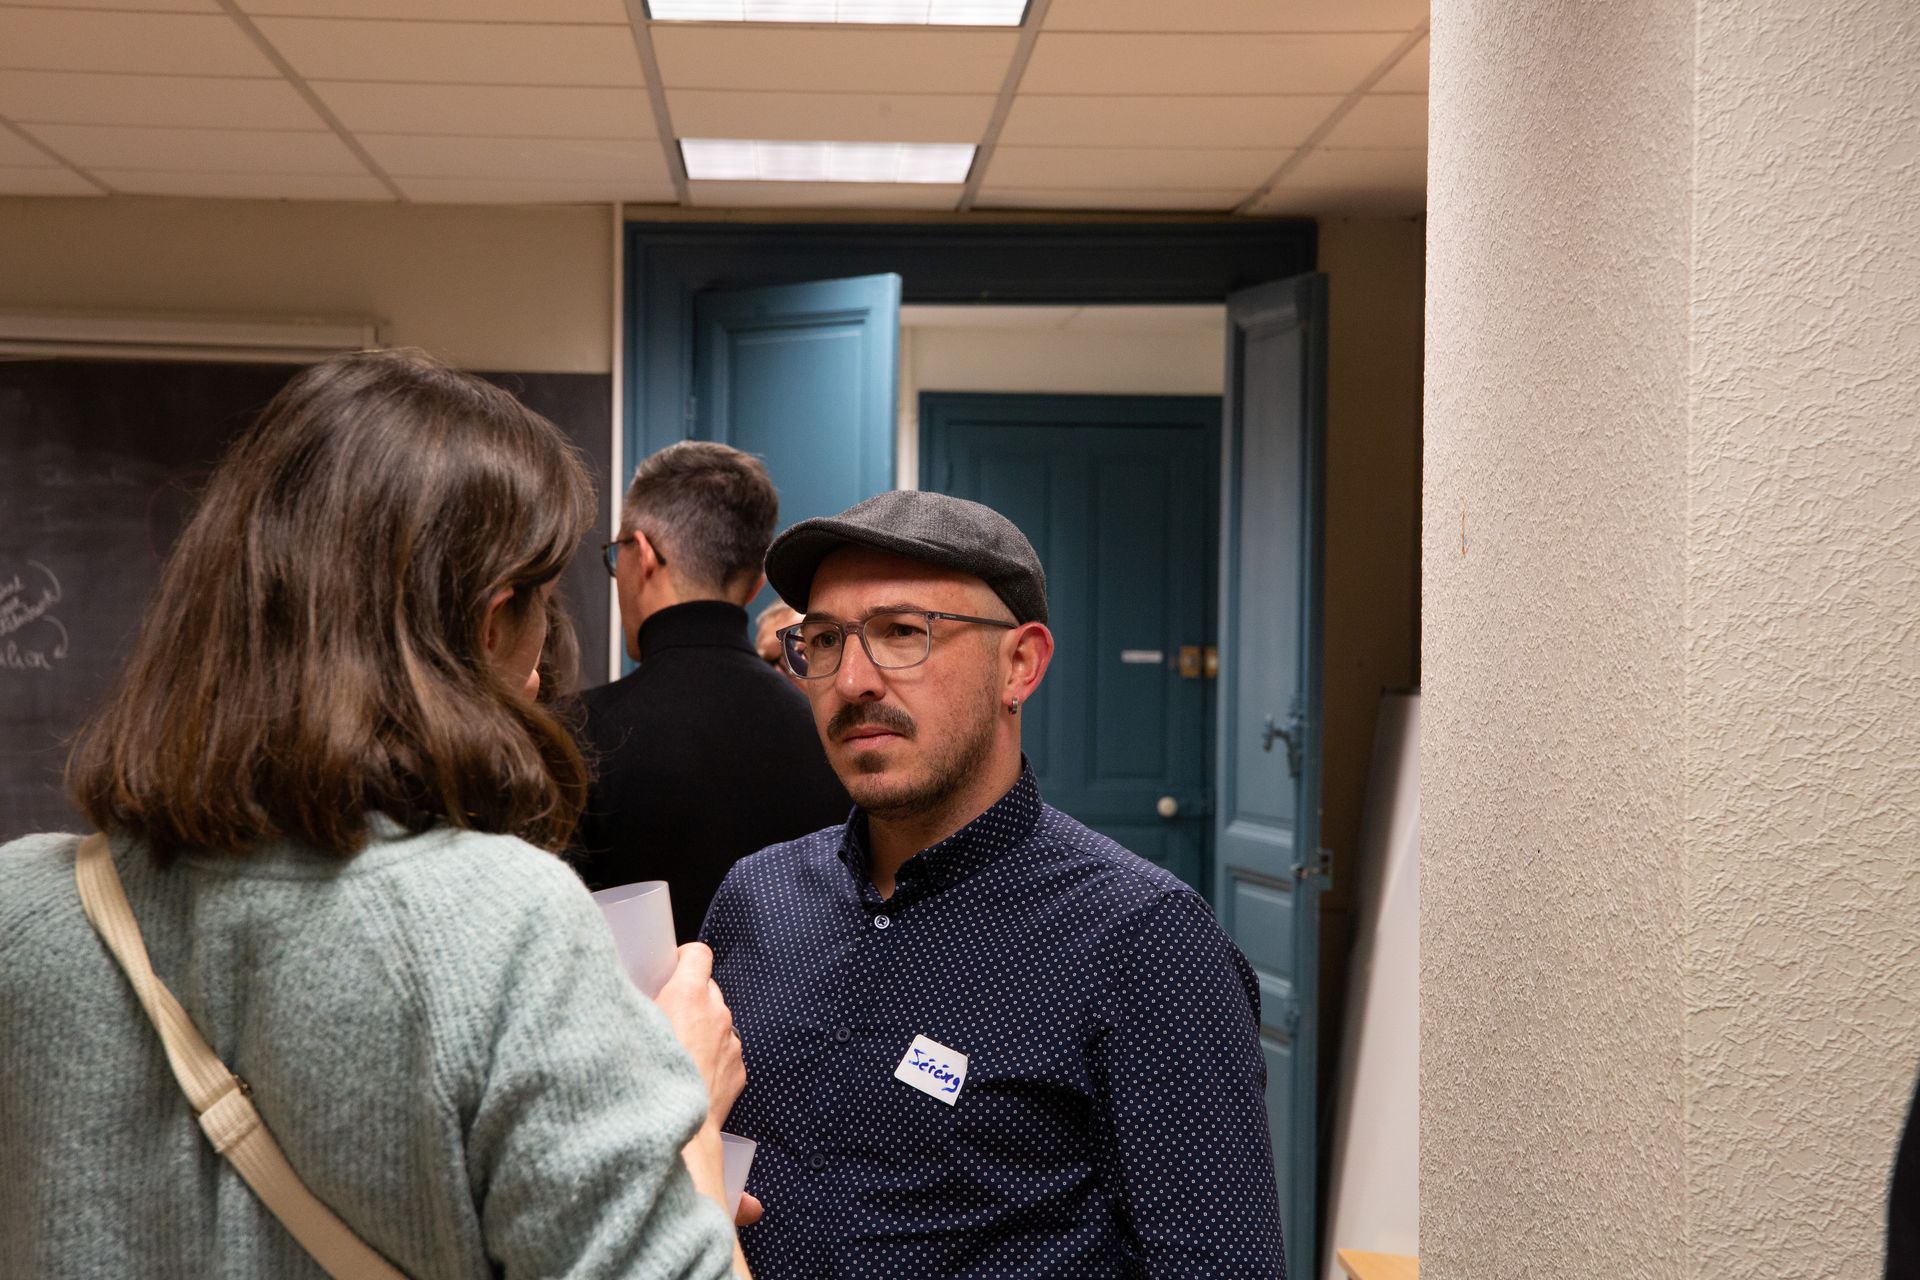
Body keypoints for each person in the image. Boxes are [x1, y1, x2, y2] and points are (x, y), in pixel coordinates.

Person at [0, 350, 751, 1279]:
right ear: (487, 621)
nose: (539, 667)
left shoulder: (19, 909)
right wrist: (681, 1116)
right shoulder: (502, 924)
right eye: (543, 608)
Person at [702, 489, 1287, 1277]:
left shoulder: (1145, 942)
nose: (854, 680)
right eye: (826, 640)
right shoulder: (756, 899)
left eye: (902, 633)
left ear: (1020, 665)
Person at [571, 441, 848, 941]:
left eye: (617, 557)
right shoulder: (832, 739)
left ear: (644, 555)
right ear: (755, 585)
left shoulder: (574, 735)